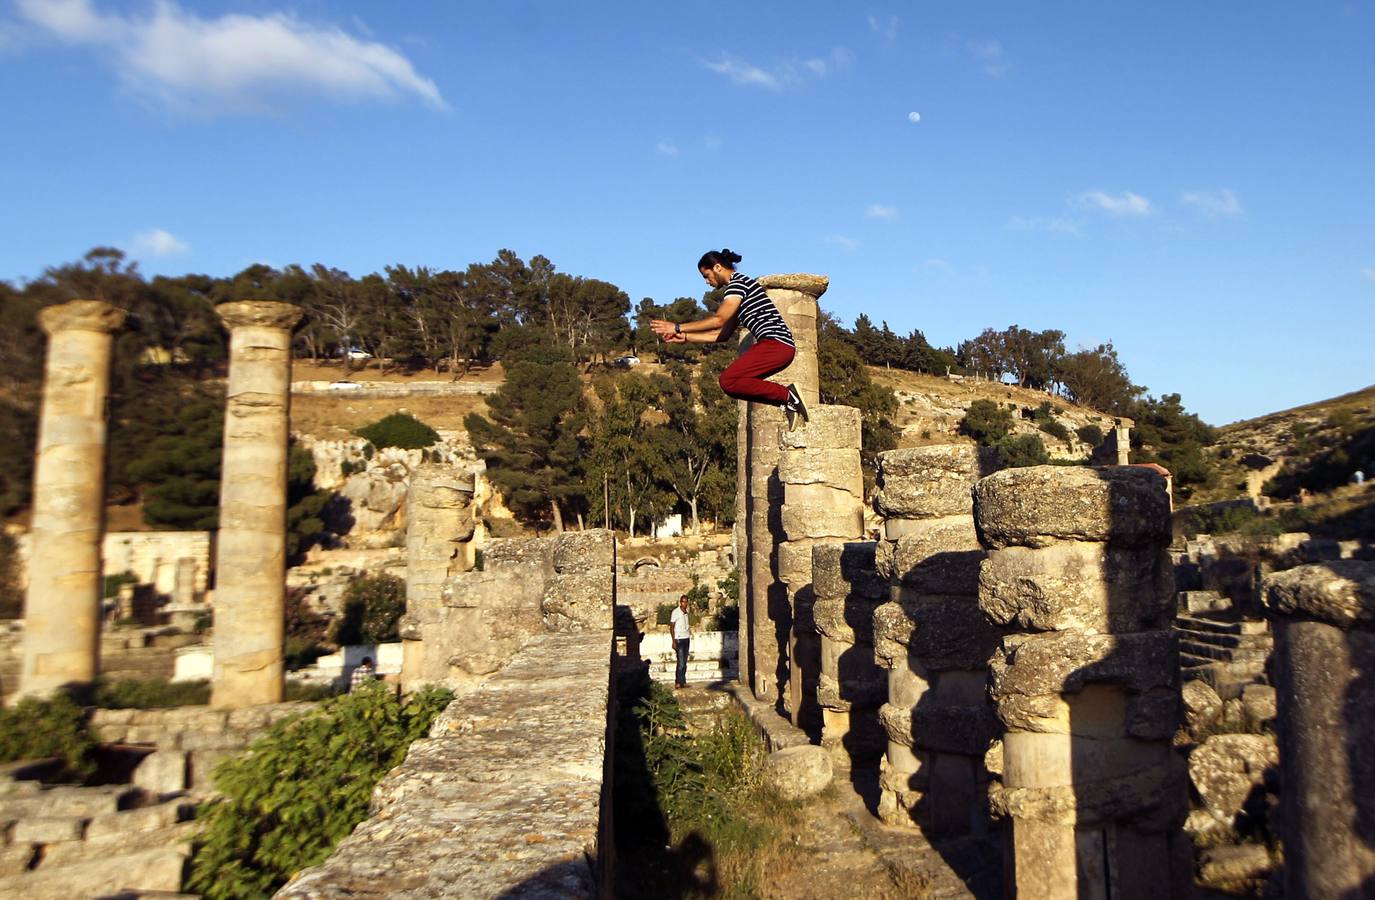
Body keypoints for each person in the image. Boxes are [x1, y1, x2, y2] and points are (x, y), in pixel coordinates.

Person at [650, 248, 809, 426]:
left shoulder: (738, 284)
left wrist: (677, 327)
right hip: (777, 347)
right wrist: (686, 337)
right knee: (733, 382)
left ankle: (788, 397)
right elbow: (722, 334)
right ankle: (788, 400)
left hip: (776, 345)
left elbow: (719, 319)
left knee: (729, 380)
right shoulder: (737, 291)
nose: (707, 281)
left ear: (717, 267)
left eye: (706, 275)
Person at [669, 594, 692, 689]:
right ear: (680, 602)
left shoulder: (686, 612)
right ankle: (678, 681)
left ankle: (683, 681)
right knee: (681, 661)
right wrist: (673, 640)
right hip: (679, 639)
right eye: (683, 602)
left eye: (686, 602)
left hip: (686, 638)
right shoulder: (676, 612)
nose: (685, 603)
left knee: (685, 661)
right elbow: (672, 626)